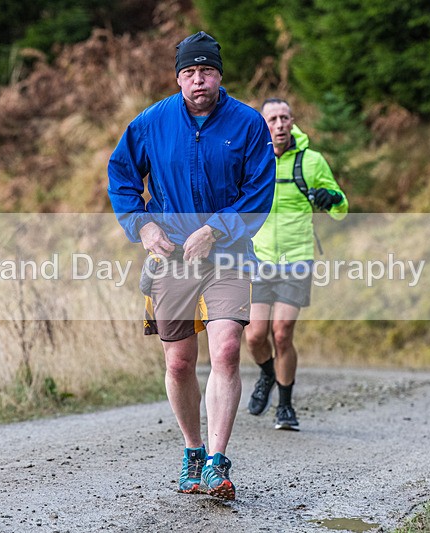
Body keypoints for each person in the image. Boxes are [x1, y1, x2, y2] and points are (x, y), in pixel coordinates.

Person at [107, 31, 275, 500]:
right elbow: (121, 176)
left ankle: (217, 463)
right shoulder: (150, 123)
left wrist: (217, 229)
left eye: (206, 71)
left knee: (224, 350)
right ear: (178, 77)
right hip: (173, 259)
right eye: (189, 72)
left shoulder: (247, 124)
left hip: (228, 255)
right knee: (179, 362)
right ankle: (193, 452)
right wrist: (142, 226)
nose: (198, 80)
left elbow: (261, 194)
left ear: (220, 75)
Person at [244, 98, 348, 430]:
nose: (279, 124)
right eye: (272, 118)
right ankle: (266, 374)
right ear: (263, 123)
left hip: (296, 258)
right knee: (254, 336)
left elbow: (341, 207)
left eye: (284, 117)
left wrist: (329, 198)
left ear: (292, 122)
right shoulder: (252, 159)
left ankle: (285, 407)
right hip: (258, 258)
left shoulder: (312, 161)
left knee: (282, 331)